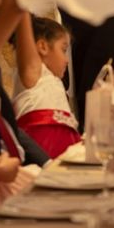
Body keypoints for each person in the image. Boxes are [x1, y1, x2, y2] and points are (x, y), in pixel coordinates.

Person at [12, 15, 81, 159]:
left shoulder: (55, 83)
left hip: (66, 159)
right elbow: (23, 22)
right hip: (40, 158)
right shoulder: (35, 74)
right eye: (63, 50)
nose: (66, 60)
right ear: (42, 46)